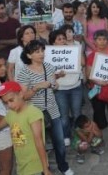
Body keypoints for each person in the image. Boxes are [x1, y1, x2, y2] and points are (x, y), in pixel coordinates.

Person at [16, 40, 74, 175]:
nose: (41, 54)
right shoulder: (24, 72)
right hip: (35, 113)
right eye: (37, 52)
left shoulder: (49, 67)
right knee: (39, 143)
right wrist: (36, 87)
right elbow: (23, 96)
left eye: (42, 51)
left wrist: (55, 85)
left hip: (52, 109)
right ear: (29, 55)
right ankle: (44, 168)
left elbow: (54, 86)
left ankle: (63, 167)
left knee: (59, 141)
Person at [0, 81, 52, 175]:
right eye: (5, 103)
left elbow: (39, 141)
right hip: (21, 166)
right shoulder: (11, 114)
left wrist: (45, 169)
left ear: (20, 94)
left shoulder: (33, 113)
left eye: (11, 100)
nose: (9, 105)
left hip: (35, 166)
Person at [85, 30, 108, 143]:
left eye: (104, 39)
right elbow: (88, 74)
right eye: (99, 39)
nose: (102, 42)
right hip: (97, 89)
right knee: (98, 113)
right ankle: (99, 134)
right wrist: (100, 82)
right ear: (95, 41)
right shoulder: (91, 56)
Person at [49, 30, 84, 148]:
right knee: (63, 116)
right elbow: (47, 75)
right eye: (59, 39)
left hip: (76, 87)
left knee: (77, 113)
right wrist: (58, 75)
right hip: (60, 89)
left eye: (63, 38)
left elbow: (82, 64)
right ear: (53, 43)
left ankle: (80, 135)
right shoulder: (48, 55)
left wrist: (78, 53)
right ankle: (66, 135)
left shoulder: (75, 49)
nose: (62, 41)